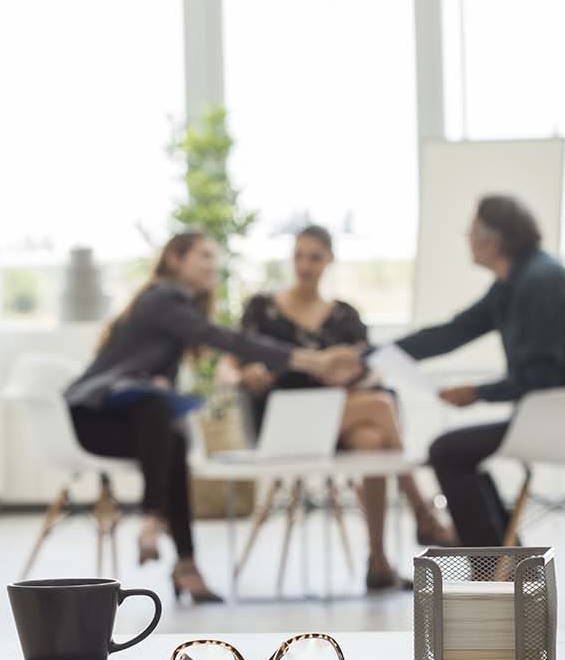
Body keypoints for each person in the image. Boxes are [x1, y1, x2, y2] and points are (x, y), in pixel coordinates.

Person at [66, 231, 359, 603]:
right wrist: (310, 359)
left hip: (132, 419)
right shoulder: (161, 299)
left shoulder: (170, 303)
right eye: (204, 256)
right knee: (160, 414)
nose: (212, 266)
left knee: (170, 433)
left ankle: (183, 561)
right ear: (175, 258)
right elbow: (227, 340)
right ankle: (155, 520)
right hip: (89, 420)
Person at [230, 225, 457, 591]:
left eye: (314, 257)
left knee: (372, 440)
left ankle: (379, 563)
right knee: (382, 406)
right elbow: (231, 363)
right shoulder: (262, 309)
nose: (305, 265)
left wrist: (346, 375)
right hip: (281, 421)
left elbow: (370, 370)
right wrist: (247, 371)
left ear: (329, 260)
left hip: (337, 418)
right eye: (299, 256)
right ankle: (424, 514)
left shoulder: (345, 316)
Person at [391, 195, 565, 546]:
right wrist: (375, 354)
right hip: (557, 414)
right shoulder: (515, 282)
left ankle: (494, 563)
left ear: (493, 241)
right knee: (456, 452)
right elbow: (453, 332)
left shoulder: (539, 284)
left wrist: (477, 393)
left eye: (471, 231)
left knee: (447, 451)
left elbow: (540, 379)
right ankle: (505, 558)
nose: (467, 239)